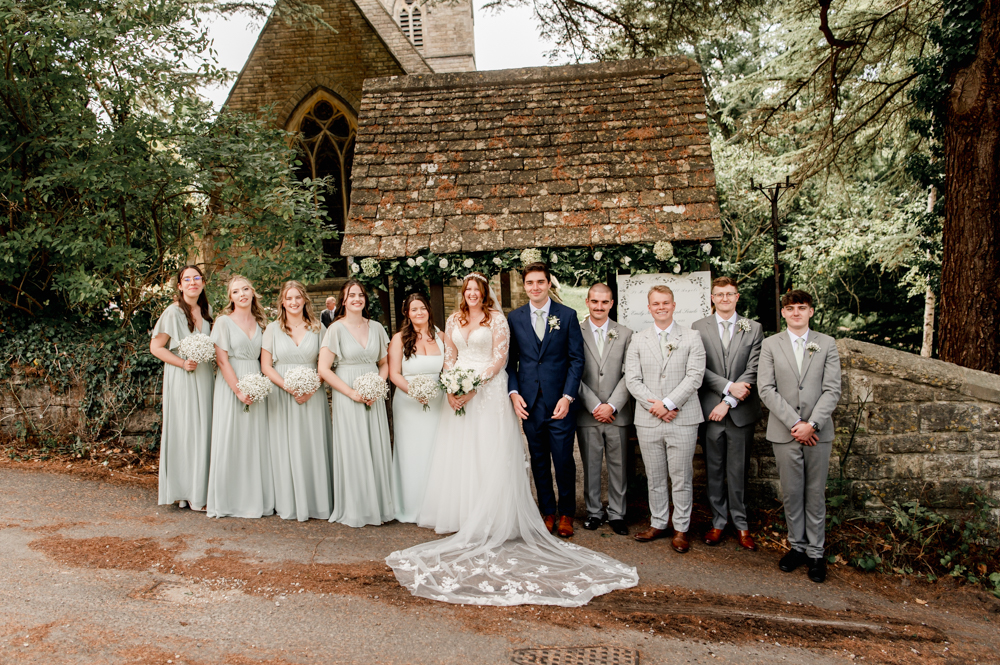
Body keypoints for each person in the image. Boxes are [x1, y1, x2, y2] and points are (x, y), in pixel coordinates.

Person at [386, 272, 638, 607]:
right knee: (469, 454)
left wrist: (475, 385)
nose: (473, 294)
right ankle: (476, 514)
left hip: (496, 393)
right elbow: (454, 357)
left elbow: (503, 359)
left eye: (478, 289)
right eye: (468, 290)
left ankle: (543, 514)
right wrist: (452, 385)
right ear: (463, 293)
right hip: (476, 395)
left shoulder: (515, 319)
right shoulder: (460, 318)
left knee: (523, 454)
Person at [758, 290, 842, 583]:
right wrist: (795, 422)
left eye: (801, 308)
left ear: (811, 312)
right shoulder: (770, 344)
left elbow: (832, 389)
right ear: (783, 313)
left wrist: (813, 424)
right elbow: (766, 389)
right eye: (790, 308)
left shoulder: (826, 344)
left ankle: (817, 553)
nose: (796, 313)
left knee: (815, 493)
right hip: (784, 430)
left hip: (818, 433)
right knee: (792, 492)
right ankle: (797, 547)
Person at [506, 263, 585, 537]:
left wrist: (568, 396)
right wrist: (514, 394)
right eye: (530, 283)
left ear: (549, 284)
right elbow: (510, 362)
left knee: (563, 459)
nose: (535, 287)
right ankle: (547, 512)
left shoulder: (568, 315)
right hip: (529, 403)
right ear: (525, 286)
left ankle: (566, 514)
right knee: (538, 459)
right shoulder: (514, 318)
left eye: (540, 282)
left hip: (560, 402)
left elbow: (577, 359)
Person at [625, 285, 706, 553]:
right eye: (656, 304)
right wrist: (656, 406)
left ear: (673, 305)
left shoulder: (692, 337)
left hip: (682, 418)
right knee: (655, 475)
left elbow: (695, 376)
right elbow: (632, 379)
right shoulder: (638, 339)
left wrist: (670, 404)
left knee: (681, 476)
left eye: (665, 303)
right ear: (649, 308)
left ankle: (681, 528)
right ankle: (658, 522)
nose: (661, 307)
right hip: (648, 419)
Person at [692, 276, 763, 550]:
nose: (724, 298)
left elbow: (754, 368)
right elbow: (699, 367)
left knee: (739, 470)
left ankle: (742, 525)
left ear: (737, 296)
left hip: (740, 412)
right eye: (719, 294)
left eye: (729, 294)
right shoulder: (698, 327)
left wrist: (730, 400)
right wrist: (727, 388)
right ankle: (718, 522)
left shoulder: (753, 328)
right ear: (712, 297)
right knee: (714, 468)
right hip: (711, 410)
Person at [318, 280, 394, 527]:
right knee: (354, 448)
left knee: (375, 445)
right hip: (347, 395)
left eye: (361, 295)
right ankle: (357, 508)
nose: (357, 299)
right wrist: (351, 393)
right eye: (351, 295)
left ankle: (380, 506)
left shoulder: (377, 328)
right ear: (343, 300)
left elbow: (384, 363)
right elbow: (324, 369)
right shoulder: (335, 330)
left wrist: (377, 385)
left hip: (373, 393)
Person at [261, 280, 333, 522]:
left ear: (305, 300)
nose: (293, 302)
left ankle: (317, 503)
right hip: (282, 395)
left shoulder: (318, 328)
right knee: (285, 446)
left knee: (312, 445)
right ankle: (289, 502)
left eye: (298, 298)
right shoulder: (272, 329)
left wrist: (311, 388)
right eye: (288, 298)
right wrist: (288, 387)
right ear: (282, 301)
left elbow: (324, 366)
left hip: (312, 395)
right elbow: (265, 366)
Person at [206, 275, 275, 519]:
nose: (242, 294)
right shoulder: (223, 322)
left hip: (255, 382)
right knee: (230, 437)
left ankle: (254, 499)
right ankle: (229, 500)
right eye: (236, 291)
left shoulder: (261, 323)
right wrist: (237, 390)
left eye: (245, 289)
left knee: (255, 440)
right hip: (231, 384)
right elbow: (222, 360)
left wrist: (256, 387)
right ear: (231, 297)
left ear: (253, 293)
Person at [149, 265, 214, 511]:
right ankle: (185, 491)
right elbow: (156, 348)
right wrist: (182, 362)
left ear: (203, 283)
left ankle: (201, 490)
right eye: (187, 279)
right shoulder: (173, 312)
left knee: (204, 429)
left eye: (196, 278)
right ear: (179, 285)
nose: (192, 283)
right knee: (186, 430)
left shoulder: (207, 311)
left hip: (205, 376)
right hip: (182, 377)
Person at [388, 293, 452, 523]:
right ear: (407, 313)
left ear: (429, 310)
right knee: (411, 453)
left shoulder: (442, 336)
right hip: (408, 403)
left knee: (436, 450)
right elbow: (394, 373)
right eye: (414, 309)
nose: (419, 313)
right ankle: (410, 506)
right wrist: (415, 391)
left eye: (422, 308)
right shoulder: (398, 339)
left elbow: (450, 369)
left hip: (438, 401)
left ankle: (436, 506)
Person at [576, 283, 633, 536]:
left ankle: (618, 513)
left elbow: (630, 373)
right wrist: (594, 405)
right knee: (590, 465)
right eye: (594, 301)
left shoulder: (627, 333)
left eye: (605, 302)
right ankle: (594, 512)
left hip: (617, 413)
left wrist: (611, 405)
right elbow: (572, 372)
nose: (599, 306)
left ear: (612, 304)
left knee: (619, 465)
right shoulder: (574, 331)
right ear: (587, 302)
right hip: (587, 412)